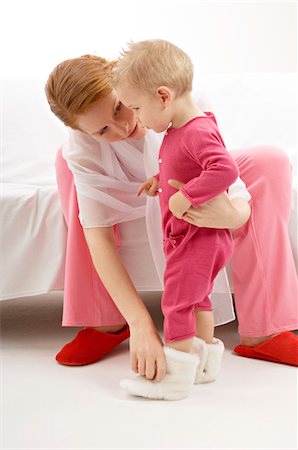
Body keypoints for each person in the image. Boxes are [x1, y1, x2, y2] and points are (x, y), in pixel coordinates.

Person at [44, 51, 298, 386]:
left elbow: (222, 171)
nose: (123, 126)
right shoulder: (81, 148)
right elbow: (97, 236)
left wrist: (233, 212)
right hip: (126, 190)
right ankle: (105, 321)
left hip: (181, 182)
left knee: (271, 161)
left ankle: (264, 329)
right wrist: (141, 324)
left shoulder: (171, 100)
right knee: (64, 162)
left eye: (120, 108)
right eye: (103, 129)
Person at [112, 39, 244, 400]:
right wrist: (161, 181)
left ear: (163, 96)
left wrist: (186, 197)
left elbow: (224, 168)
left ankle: (174, 379)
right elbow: (190, 165)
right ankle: (204, 366)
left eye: (138, 108)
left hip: (194, 237)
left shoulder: (196, 130)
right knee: (199, 299)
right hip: (200, 237)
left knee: (176, 303)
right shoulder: (182, 129)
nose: (136, 119)